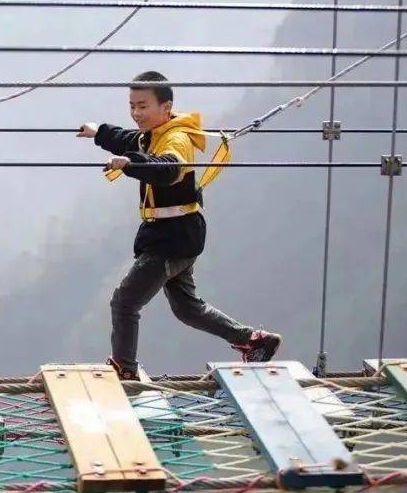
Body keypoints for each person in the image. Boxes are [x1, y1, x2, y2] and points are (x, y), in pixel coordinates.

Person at [79, 71, 280, 380]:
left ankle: (124, 368)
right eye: (132, 105)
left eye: (143, 106)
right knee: (187, 308)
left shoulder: (176, 139)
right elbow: (126, 139)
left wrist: (131, 164)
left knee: (125, 301)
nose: (136, 113)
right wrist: (98, 132)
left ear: (166, 106)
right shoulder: (154, 133)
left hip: (172, 239)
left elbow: (167, 169)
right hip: (176, 234)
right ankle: (254, 340)